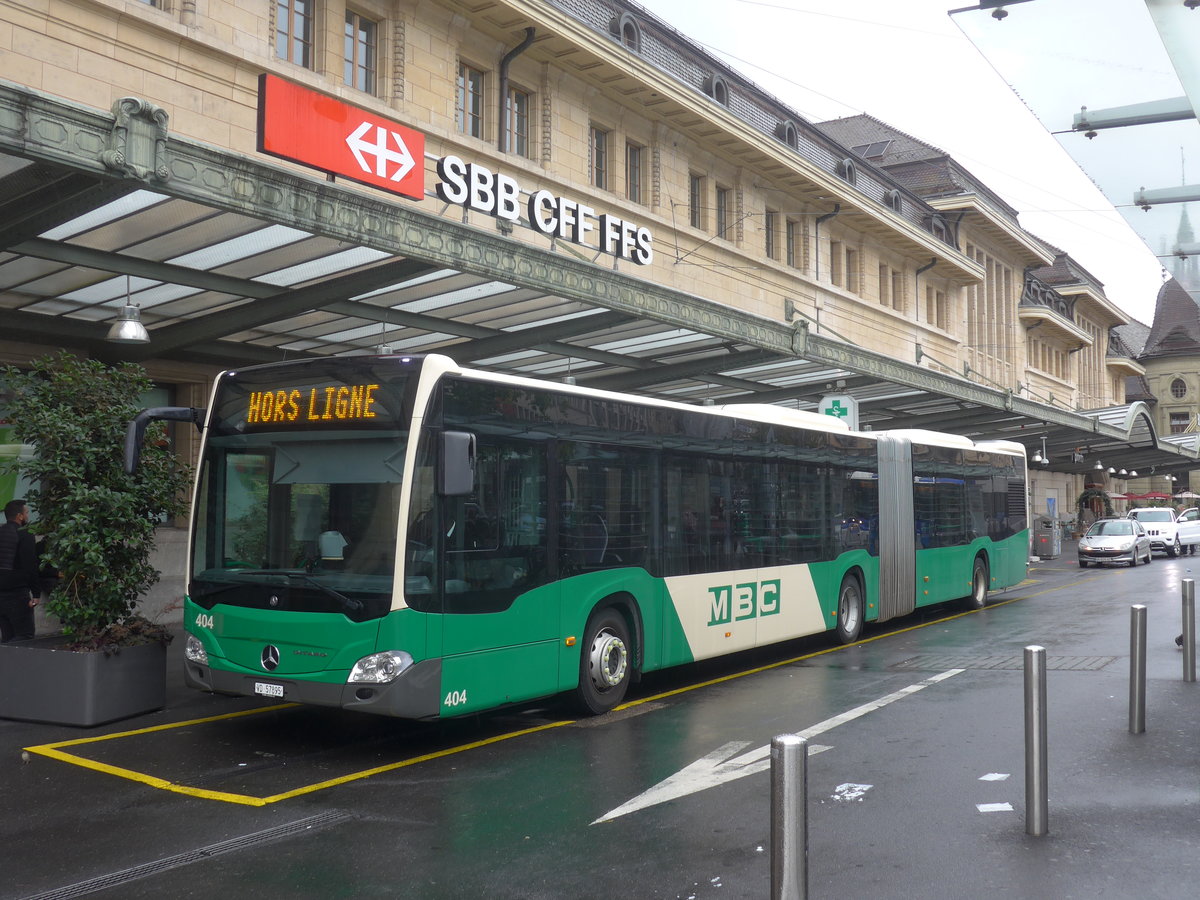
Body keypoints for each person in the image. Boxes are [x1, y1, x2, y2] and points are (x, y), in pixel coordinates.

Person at [0, 499, 40, 642]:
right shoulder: (24, 534)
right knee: (25, 636)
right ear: (20, 516)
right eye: (27, 513)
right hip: (17, 595)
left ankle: (6, 664)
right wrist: (36, 593)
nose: (28, 516)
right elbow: (31, 565)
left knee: (7, 637)